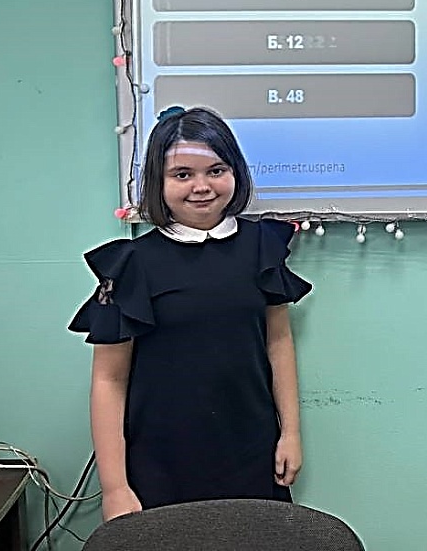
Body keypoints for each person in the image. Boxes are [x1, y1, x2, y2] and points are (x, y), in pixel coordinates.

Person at [70, 106, 312, 521]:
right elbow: (109, 380)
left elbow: (278, 342)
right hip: (159, 461)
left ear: (235, 172)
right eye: (182, 174)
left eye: (216, 170)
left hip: (251, 450)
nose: (201, 186)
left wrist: (290, 433)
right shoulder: (132, 264)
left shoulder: (261, 247)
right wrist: (114, 488)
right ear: (158, 181)